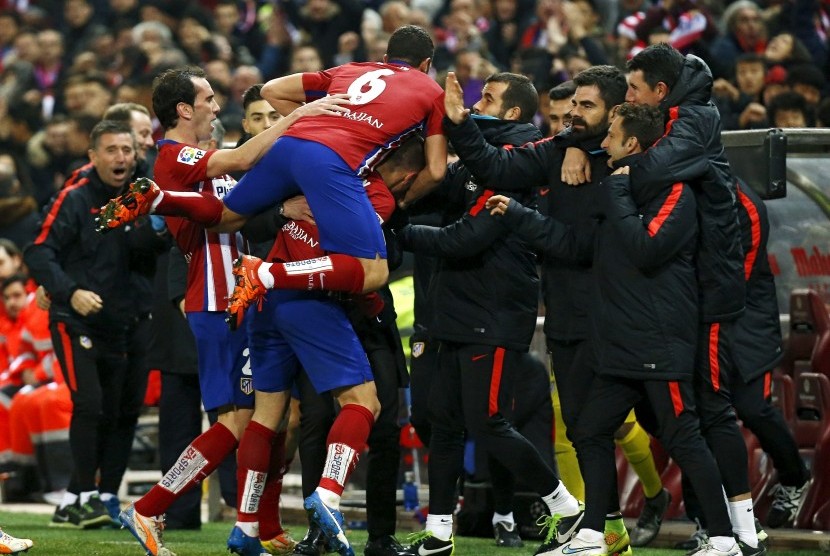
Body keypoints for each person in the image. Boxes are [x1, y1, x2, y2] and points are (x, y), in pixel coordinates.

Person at [486, 101, 739, 556]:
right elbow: (579, 245)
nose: (602, 144)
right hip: (619, 343)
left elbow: (646, 248)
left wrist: (618, 194)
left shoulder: (674, 192)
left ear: (632, 143)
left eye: (610, 136)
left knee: (683, 435)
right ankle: (591, 535)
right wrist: (521, 217)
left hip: (658, 339)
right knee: (588, 429)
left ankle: (724, 538)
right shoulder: (613, 188)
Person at [116, 66, 341, 556]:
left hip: (239, 298)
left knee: (264, 417)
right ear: (184, 108)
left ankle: (256, 526)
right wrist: (301, 113)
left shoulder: (206, 161)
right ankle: (152, 506)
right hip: (214, 300)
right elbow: (240, 158)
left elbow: (237, 210)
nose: (217, 107)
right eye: (209, 98)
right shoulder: (175, 157)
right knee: (241, 422)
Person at [440, 65, 664, 554]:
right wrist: (459, 123)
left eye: (586, 107)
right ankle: (605, 531)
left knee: (651, 426)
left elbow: (580, 246)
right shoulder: (561, 149)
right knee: (587, 427)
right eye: (571, 106)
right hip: (567, 312)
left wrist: (521, 216)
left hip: (613, 316)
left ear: (613, 110)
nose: (572, 116)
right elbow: (498, 168)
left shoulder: (628, 170)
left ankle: (721, 528)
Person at [95, 25, 448, 333]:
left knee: (224, 219)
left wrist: (309, 117)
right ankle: (265, 275)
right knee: (373, 272)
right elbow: (435, 170)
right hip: (331, 163)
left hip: (290, 145)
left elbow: (271, 90)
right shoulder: (432, 92)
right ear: (426, 65)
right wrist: (402, 198)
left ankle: (159, 200)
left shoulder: (354, 68)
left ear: (386, 57)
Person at [398, 72, 582, 556]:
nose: (479, 103)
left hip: (494, 313)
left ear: (514, 113)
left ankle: (565, 507)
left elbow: (466, 238)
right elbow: (437, 190)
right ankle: (439, 534)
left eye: (490, 99)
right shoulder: (479, 164)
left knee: (489, 422)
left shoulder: (517, 166)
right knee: (444, 423)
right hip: (458, 312)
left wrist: (395, 233)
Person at [230, 138, 425, 556]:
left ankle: (245, 528)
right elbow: (361, 270)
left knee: (271, 418)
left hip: (278, 300)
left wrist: (271, 274)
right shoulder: (364, 194)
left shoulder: (313, 172)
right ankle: (327, 501)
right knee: (353, 409)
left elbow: (229, 214)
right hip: (313, 307)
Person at [623, 44, 762, 555]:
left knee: (710, 407)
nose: (627, 95)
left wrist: (616, 165)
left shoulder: (694, 119)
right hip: (682, 292)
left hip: (708, 291)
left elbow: (651, 171)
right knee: (670, 408)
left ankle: (744, 532)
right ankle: (717, 523)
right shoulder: (680, 117)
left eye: (634, 88)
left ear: (660, 91)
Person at [23, 120, 155, 530]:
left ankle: (99, 498)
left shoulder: (145, 196)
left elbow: (159, 244)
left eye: (126, 150)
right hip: (76, 318)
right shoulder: (76, 198)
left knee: (118, 412)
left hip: (123, 321)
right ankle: (81, 496)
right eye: (111, 150)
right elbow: (39, 252)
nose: (120, 158)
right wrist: (69, 291)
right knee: (91, 404)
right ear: (93, 156)